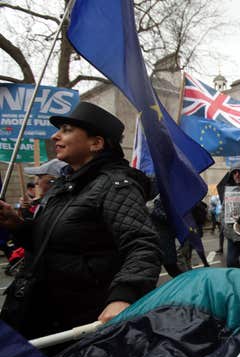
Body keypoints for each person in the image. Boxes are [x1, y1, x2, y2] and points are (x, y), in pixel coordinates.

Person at [0, 101, 161, 343]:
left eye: (66, 129)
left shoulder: (117, 185)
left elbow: (143, 245)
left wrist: (123, 297)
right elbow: (53, 242)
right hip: (33, 309)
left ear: (96, 143)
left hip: (76, 321)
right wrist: (18, 225)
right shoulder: (64, 184)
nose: (55, 136)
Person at [217, 161, 240, 268]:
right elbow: (223, 211)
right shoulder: (228, 190)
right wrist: (224, 226)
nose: (237, 175)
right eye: (234, 172)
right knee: (231, 263)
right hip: (233, 234)